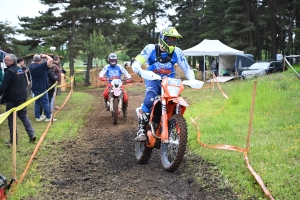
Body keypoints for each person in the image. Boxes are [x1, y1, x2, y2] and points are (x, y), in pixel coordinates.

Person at [131, 27, 195, 141]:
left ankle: (173, 125)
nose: (172, 42)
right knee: (150, 98)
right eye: (169, 40)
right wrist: (140, 70)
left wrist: (192, 79)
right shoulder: (150, 48)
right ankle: (141, 129)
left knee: (175, 102)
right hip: (152, 78)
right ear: (162, 39)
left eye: (174, 40)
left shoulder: (177, 52)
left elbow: (187, 68)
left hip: (170, 81)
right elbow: (136, 63)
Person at [0, 53, 36, 146]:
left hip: (13, 99)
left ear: (11, 61)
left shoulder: (9, 72)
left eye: (6, 60)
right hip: (22, 97)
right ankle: (31, 134)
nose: (4, 61)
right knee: (23, 116)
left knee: (11, 119)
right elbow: (24, 83)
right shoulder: (20, 70)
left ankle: (13, 140)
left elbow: (4, 87)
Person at [99, 53, 132, 118]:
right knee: (105, 93)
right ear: (109, 60)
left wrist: (129, 78)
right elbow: (101, 74)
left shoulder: (120, 67)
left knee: (125, 98)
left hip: (119, 84)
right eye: (112, 60)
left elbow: (126, 73)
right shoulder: (107, 67)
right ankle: (106, 104)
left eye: (114, 60)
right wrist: (103, 77)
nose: (113, 62)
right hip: (110, 84)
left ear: (117, 60)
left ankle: (124, 110)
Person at [30, 54, 56, 122]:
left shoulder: (31, 66)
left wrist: (38, 58)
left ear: (33, 60)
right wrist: (45, 55)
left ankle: (37, 117)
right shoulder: (42, 65)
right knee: (45, 102)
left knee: (37, 102)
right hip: (42, 87)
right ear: (40, 60)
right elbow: (51, 60)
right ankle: (48, 117)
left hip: (35, 87)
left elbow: (34, 61)